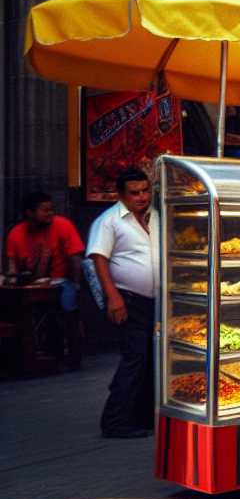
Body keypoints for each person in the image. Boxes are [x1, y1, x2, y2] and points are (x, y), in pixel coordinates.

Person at [88, 170, 159, 438]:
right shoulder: (109, 222)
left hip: (157, 302)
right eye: (134, 192)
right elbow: (99, 259)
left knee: (151, 360)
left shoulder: (157, 216)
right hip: (129, 300)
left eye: (145, 191)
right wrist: (113, 298)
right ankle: (115, 421)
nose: (141, 197)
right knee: (135, 358)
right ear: (121, 195)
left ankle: (142, 417)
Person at [5, 191, 86, 365]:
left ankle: (73, 352)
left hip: (62, 281)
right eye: (45, 210)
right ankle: (25, 355)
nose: (50, 213)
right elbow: (12, 265)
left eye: (51, 209)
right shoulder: (16, 234)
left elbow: (75, 258)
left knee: (67, 305)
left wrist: (76, 283)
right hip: (30, 284)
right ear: (30, 213)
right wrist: (12, 278)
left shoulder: (63, 225)